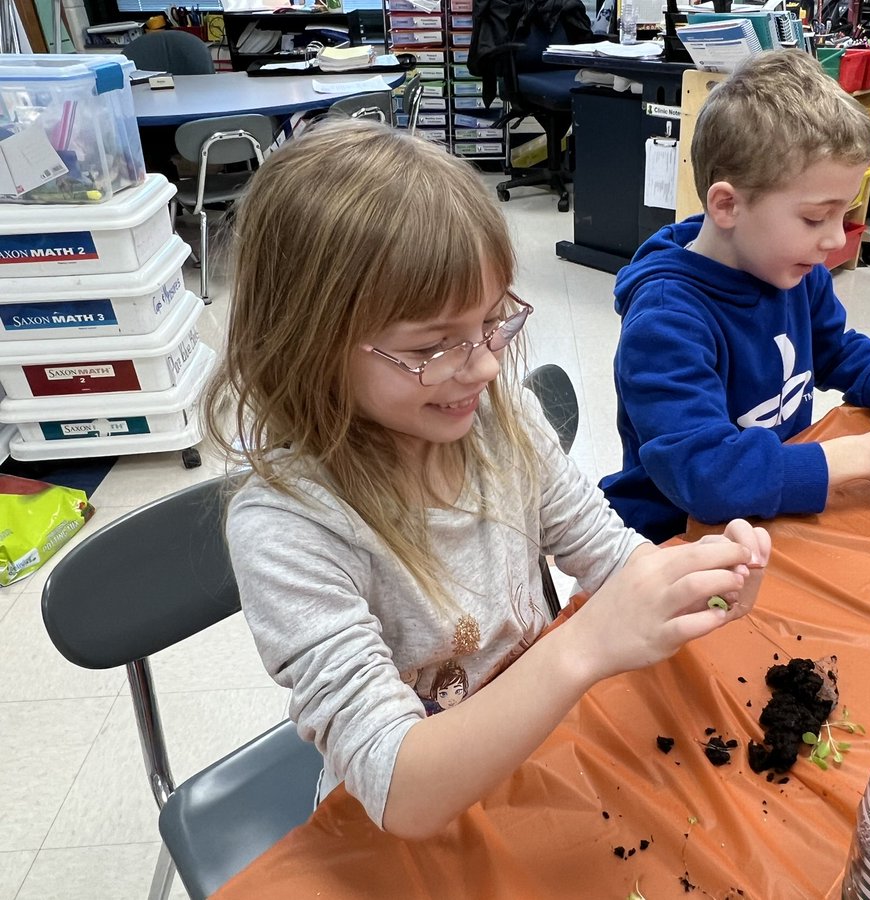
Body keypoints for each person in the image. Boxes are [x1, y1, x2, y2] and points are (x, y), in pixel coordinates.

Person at [203, 120, 772, 839]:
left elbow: (606, 550)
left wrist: (695, 583)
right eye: (434, 345)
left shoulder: (502, 422)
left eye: (491, 322)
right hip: (414, 813)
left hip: (535, 750)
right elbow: (396, 785)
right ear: (305, 343)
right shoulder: (289, 526)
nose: (486, 367)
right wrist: (586, 644)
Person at [600, 50, 870, 544]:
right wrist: (864, 455)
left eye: (842, 213)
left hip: (772, 509)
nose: (834, 239)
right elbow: (706, 475)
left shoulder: (791, 268)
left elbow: (835, 347)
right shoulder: (665, 321)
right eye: (814, 217)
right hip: (675, 537)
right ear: (727, 205)